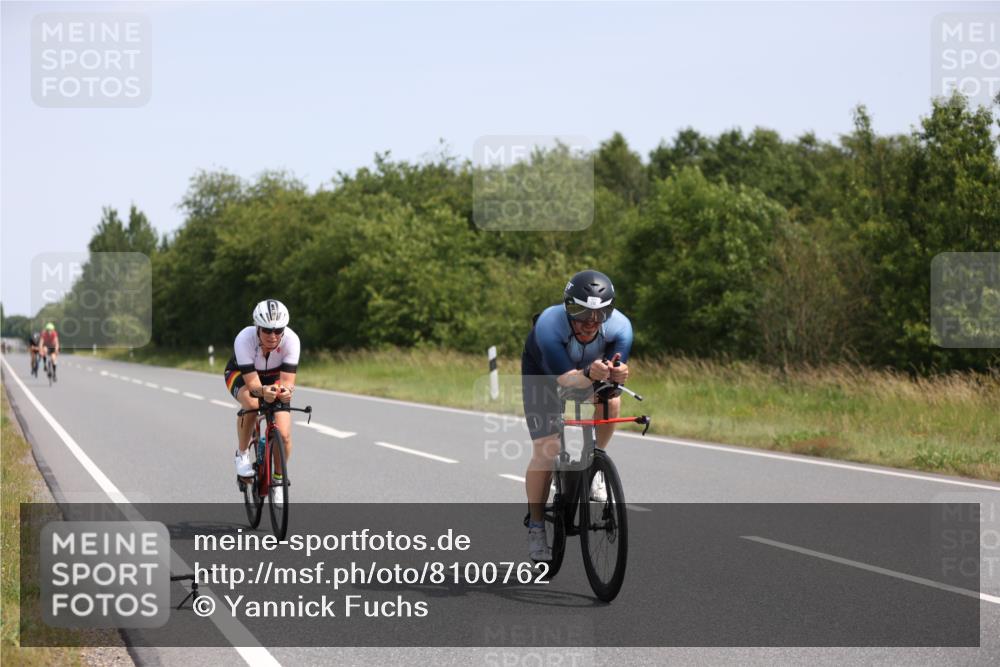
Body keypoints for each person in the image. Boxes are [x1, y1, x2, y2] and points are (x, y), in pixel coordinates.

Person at [521, 270, 633, 561]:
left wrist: (619, 374)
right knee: (547, 449)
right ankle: (536, 526)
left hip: (585, 372)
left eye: (599, 315)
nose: (590, 324)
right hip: (545, 375)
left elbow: (613, 375)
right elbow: (567, 382)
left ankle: (595, 464)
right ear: (567, 306)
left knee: (612, 403)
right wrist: (587, 373)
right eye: (580, 313)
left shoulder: (621, 328)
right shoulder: (548, 324)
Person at [224, 299, 300, 506]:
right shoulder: (244, 339)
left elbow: (287, 382)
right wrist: (262, 392)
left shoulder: (292, 340)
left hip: (274, 378)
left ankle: (278, 480)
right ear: (257, 327)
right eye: (267, 330)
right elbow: (254, 385)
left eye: (278, 330)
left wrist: (285, 392)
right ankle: (242, 455)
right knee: (252, 404)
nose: (273, 336)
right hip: (242, 375)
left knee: (283, 434)